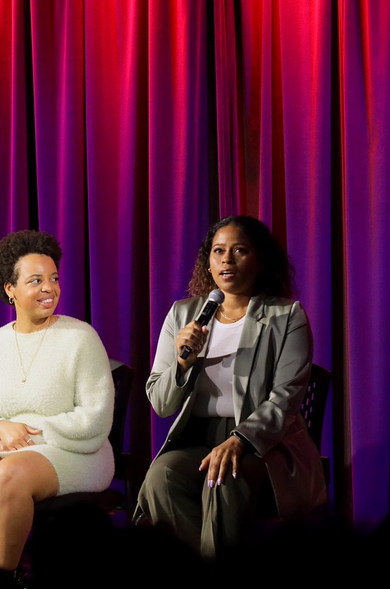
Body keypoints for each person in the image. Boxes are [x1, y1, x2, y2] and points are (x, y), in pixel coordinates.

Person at [134, 216, 326, 557]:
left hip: (265, 446)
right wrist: (182, 362)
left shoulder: (286, 316)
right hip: (200, 438)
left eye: (239, 250)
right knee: (161, 477)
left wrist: (238, 440)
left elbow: (285, 400)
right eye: (218, 251)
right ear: (207, 263)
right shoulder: (183, 314)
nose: (227, 259)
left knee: (222, 476)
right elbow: (161, 403)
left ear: (260, 260)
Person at [0, 230, 114, 574]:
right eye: (35, 280)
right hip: (8, 447)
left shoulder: (80, 337)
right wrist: (0, 426)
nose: (49, 288)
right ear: (11, 289)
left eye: (53, 278)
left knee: (10, 475)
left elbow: (95, 419)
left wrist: (33, 433)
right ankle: (11, 579)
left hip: (77, 450)